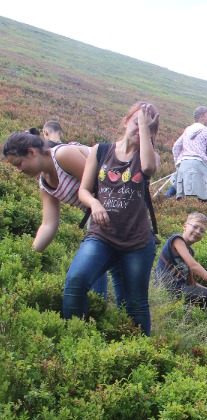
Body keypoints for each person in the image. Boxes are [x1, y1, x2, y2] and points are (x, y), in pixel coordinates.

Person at [63, 101, 160, 336]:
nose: (140, 128)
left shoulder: (150, 156)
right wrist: (95, 203)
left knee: (135, 304)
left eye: (149, 126)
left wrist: (144, 129)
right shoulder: (100, 150)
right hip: (102, 235)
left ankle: (139, 354)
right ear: (126, 121)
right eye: (136, 122)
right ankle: (75, 339)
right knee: (75, 282)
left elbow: (147, 167)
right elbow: (84, 190)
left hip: (137, 242)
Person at [2, 131, 120, 298]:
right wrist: (29, 256)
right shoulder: (45, 184)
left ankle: (108, 310)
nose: (19, 170)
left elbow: (104, 188)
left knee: (112, 271)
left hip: (121, 210)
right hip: (99, 219)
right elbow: (48, 225)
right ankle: (98, 307)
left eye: (19, 164)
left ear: (31, 152)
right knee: (92, 270)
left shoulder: (64, 155)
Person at [172, 106, 207, 201]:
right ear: (202, 117)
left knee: (181, 193)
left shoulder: (188, 129)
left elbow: (176, 146)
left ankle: (164, 199)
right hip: (199, 164)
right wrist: (206, 161)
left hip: (183, 164)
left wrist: (178, 161)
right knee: (204, 196)